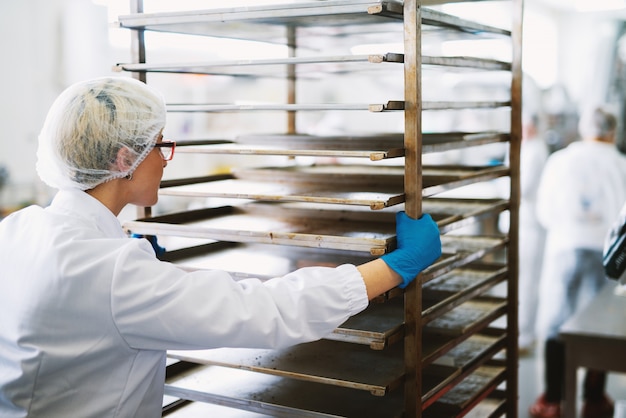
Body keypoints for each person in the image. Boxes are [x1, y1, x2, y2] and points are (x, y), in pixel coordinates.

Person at [0, 77, 441, 417]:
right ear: (122, 159)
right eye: (159, 146)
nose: (164, 159)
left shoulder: (19, 231)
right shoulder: (110, 272)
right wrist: (397, 266)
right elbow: (263, 311)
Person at [530, 105, 626, 418]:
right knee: (600, 328)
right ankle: (594, 399)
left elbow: (543, 212)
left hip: (565, 246)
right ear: (612, 131)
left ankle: (552, 400)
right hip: (606, 254)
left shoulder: (561, 161)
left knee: (557, 322)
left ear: (586, 129)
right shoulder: (621, 164)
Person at [518, 111, 549, 354]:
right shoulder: (529, 149)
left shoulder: (535, 151)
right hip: (523, 222)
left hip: (531, 224)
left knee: (528, 281)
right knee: (523, 280)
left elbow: (523, 188)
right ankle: (523, 333)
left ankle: (526, 337)